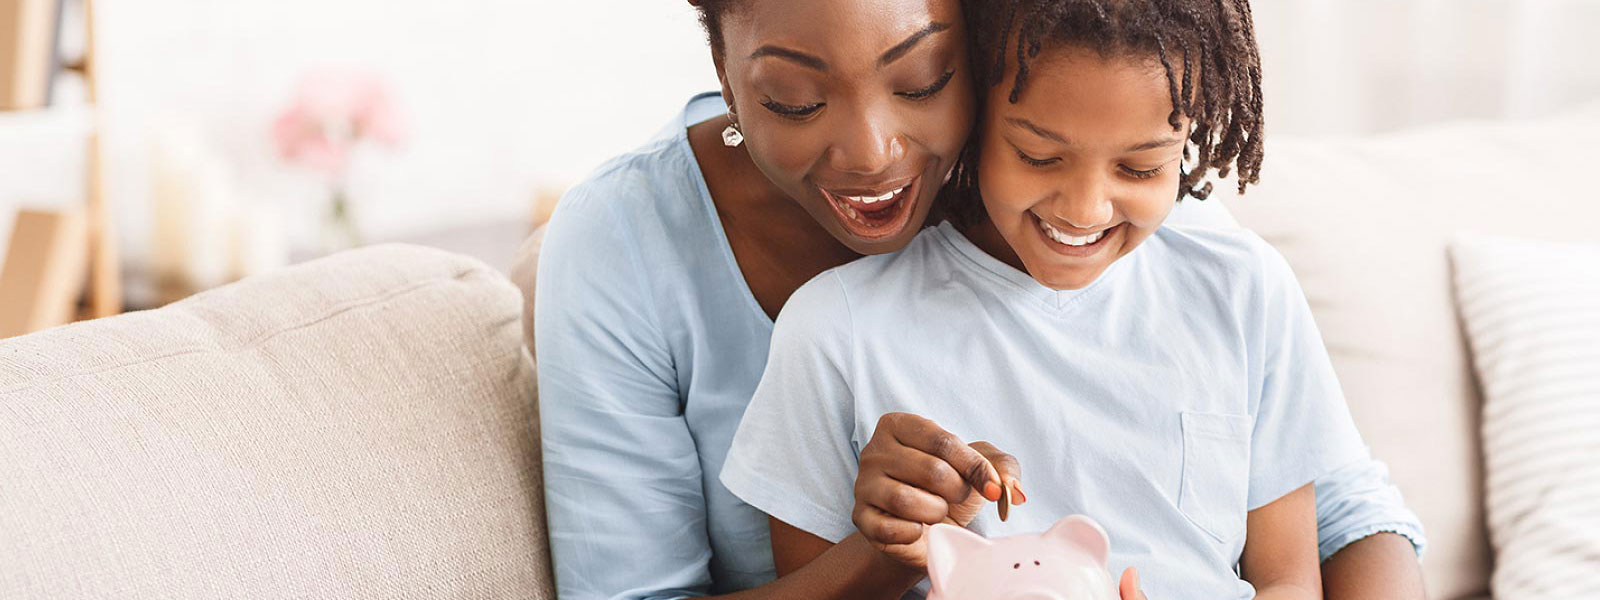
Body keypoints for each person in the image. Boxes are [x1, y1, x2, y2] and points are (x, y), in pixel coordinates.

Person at [533, 0, 1427, 598]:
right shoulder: (653, 253)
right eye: (794, 99)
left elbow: (1336, 513)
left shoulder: (1172, 239)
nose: (872, 153)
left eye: (923, 80)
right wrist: (887, 552)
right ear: (726, 75)